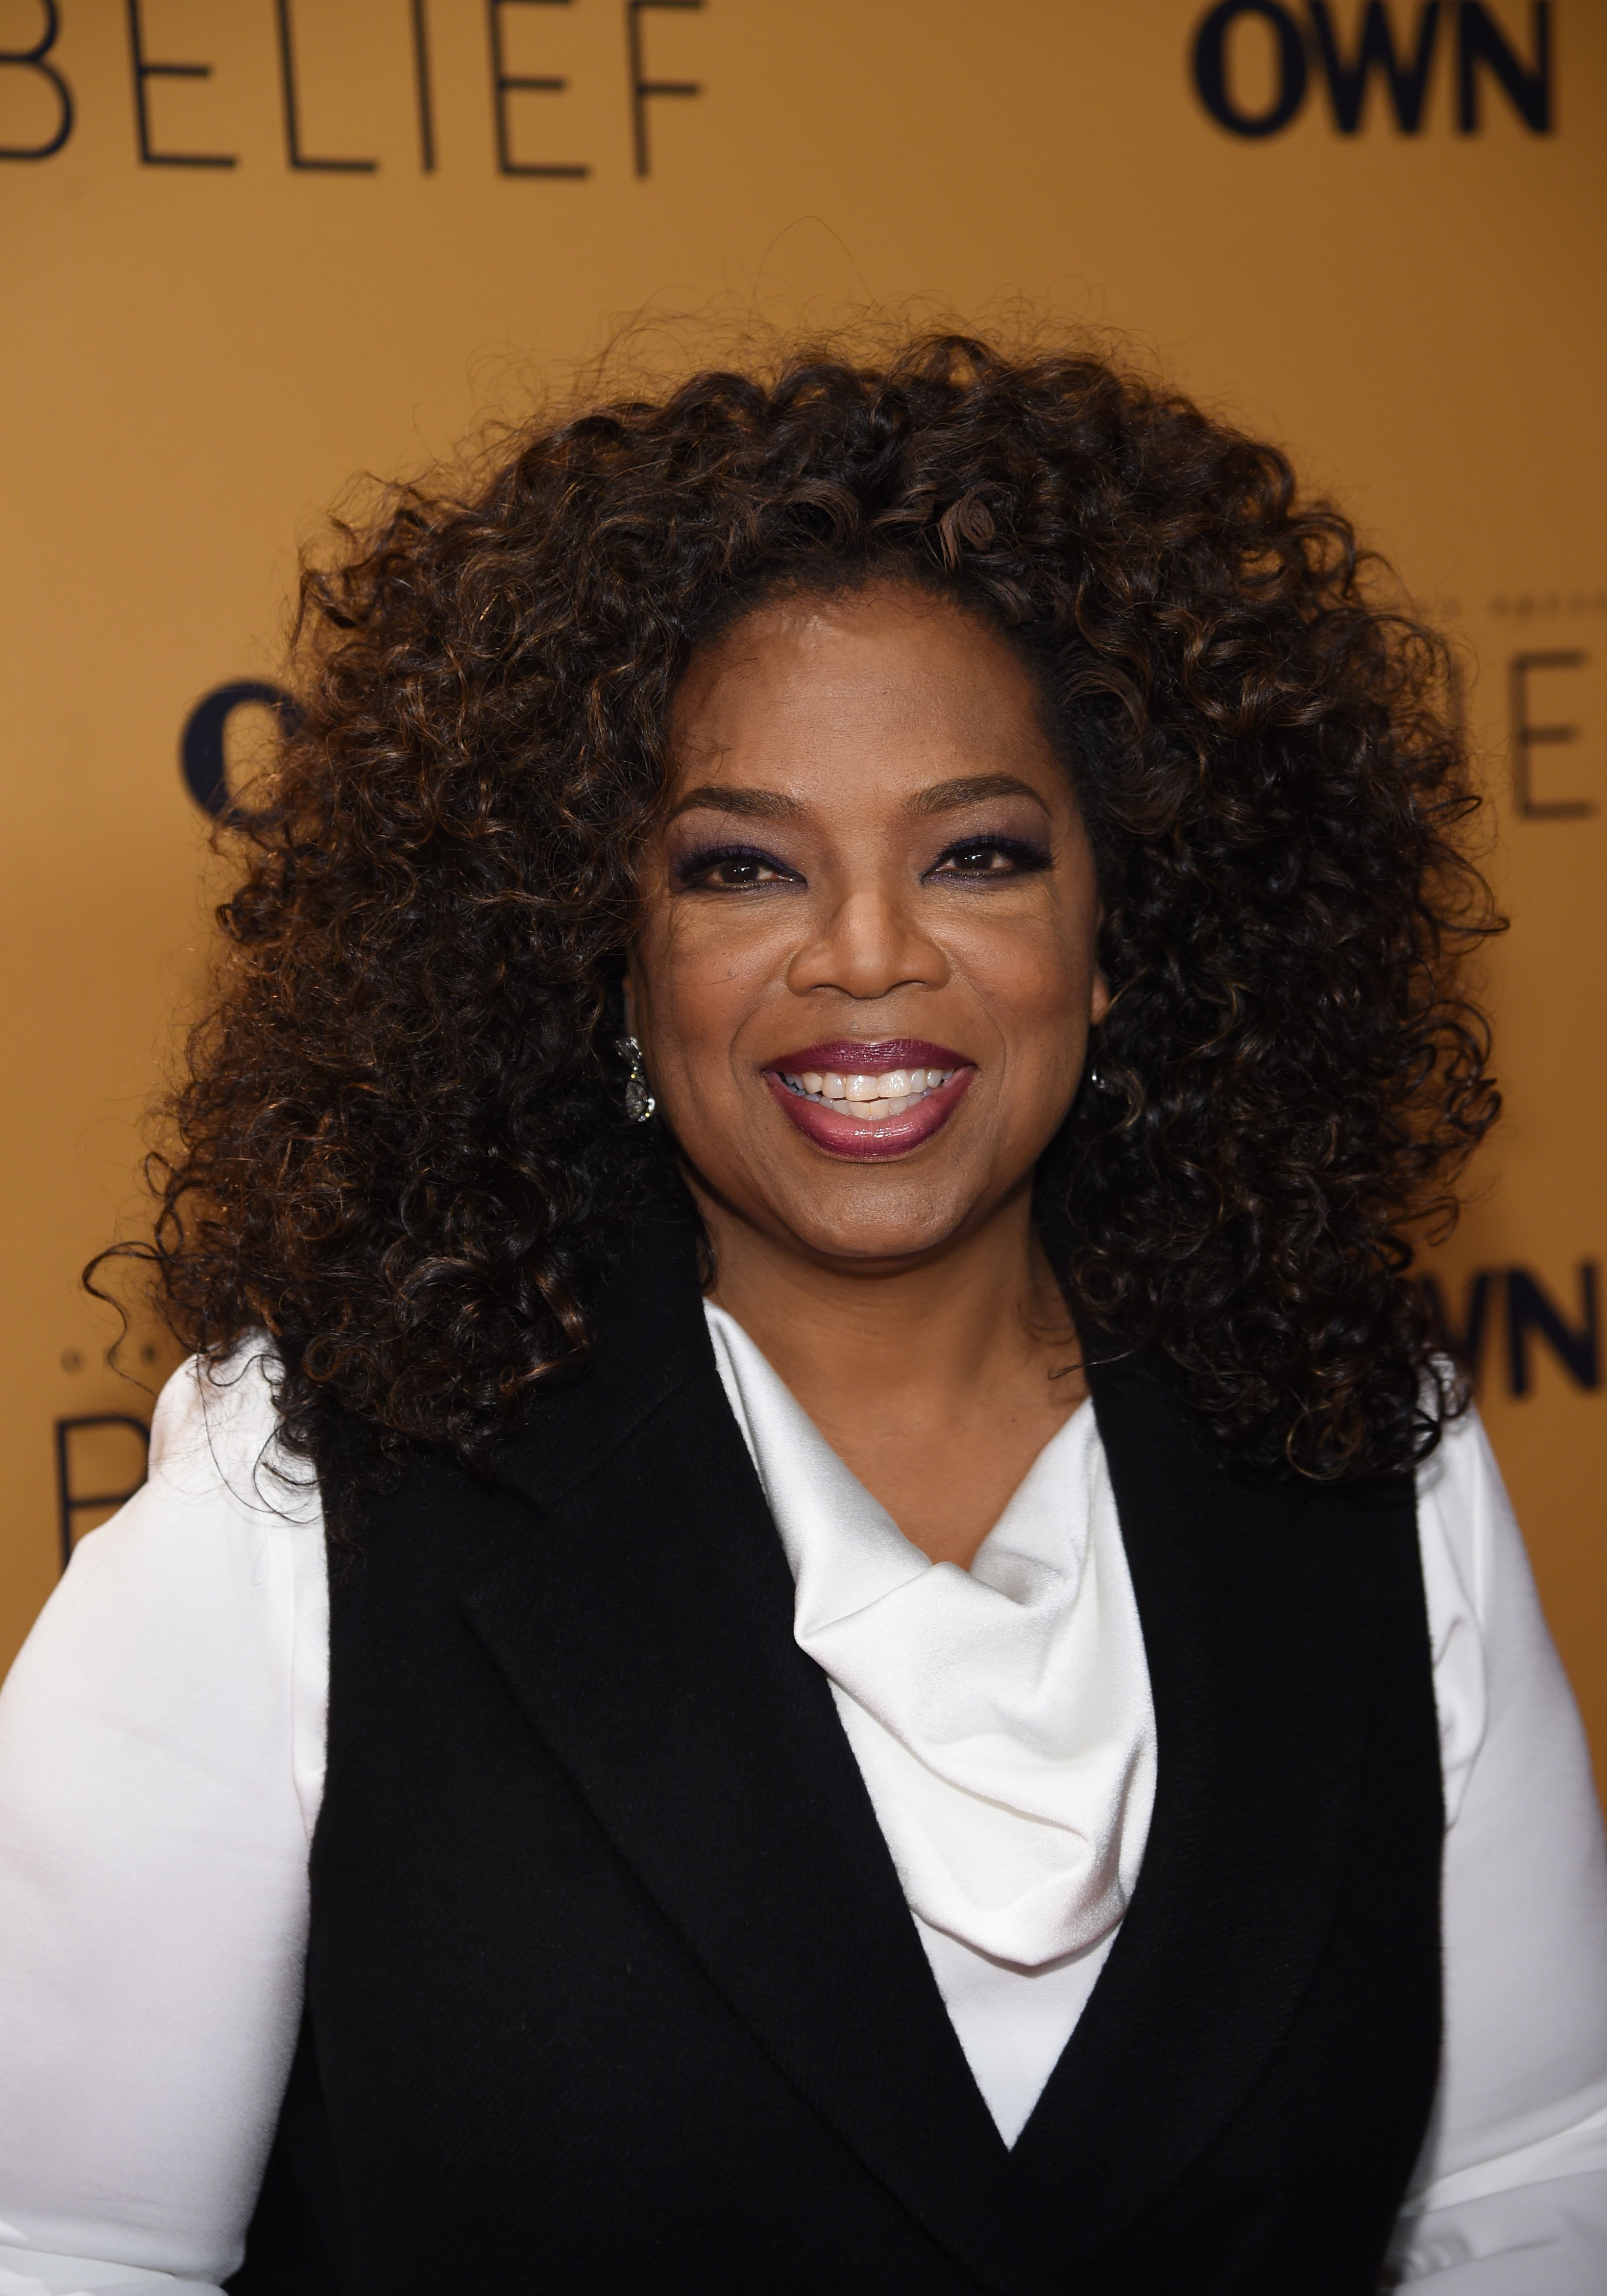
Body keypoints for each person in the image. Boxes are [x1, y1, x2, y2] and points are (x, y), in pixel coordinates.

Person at [1, 334, 1604, 2296]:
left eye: (978, 853)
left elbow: (1533, 2194)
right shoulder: (307, 1488)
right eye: (745, 863)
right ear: (607, 945)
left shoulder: (1373, 1444)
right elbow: (57, 2245)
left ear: (1121, 931)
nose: (867, 951)